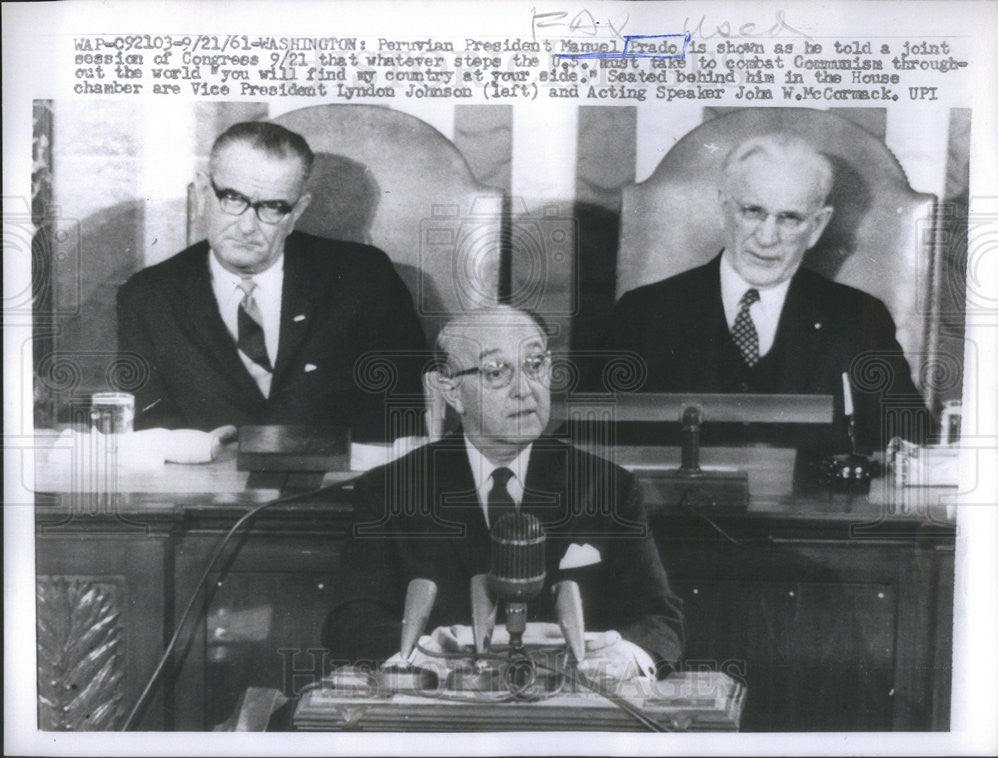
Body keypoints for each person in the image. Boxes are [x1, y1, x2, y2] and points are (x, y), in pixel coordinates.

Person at [323, 306, 685, 677]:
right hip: (447, 710)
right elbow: (354, 620)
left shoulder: (608, 487)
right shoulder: (389, 490)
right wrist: (420, 660)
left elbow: (658, 618)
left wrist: (626, 656)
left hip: (570, 704)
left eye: (534, 365)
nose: (524, 390)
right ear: (451, 390)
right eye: (496, 372)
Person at [609, 133, 930, 451]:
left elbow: (915, 447)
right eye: (752, 211)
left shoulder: (858, 319)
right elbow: (587, 447)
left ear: (817, 226)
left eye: (789, 218)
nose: (767, 237)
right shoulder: (644, 313)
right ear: (724, 206)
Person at [117, 121, 427, 439]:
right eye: (233, 198)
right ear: (200, 193)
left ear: (297, 212)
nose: (248, 227)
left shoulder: (363, 279)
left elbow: (404, 415)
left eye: (273, 207)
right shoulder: (148, 296)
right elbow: (146, 431)